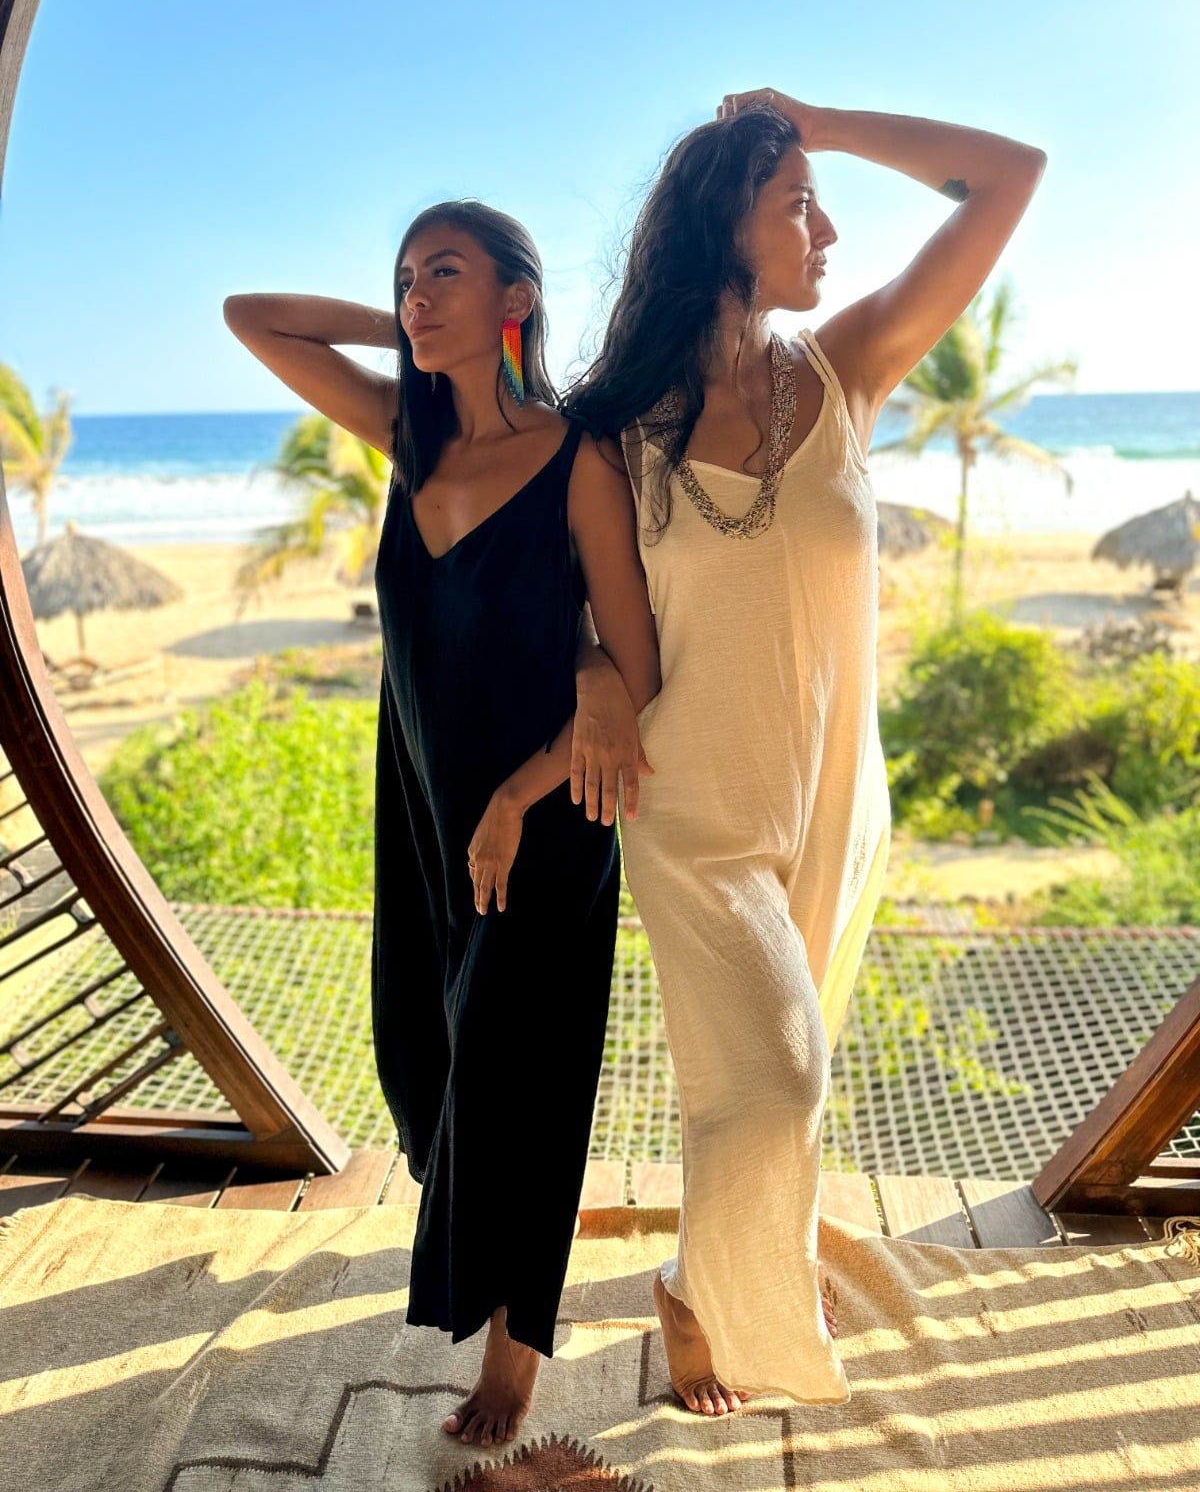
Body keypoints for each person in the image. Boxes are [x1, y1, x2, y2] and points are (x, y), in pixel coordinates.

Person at [565, 91, 1046, 1413]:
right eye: (795, 206)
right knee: (779, 1080)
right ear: (725, 227)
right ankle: (741, 1318)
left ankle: (689, 1285)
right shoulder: (611, 431)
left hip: (836, 798)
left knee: (759, 1090)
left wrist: (813, 124)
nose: (827, 230)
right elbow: (538, 606)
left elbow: (1008, 175)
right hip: (693, 813)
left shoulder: (847, 370)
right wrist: (592, 667)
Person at [223, 199, 659, 1450]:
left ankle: (518, 1350)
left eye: (445, 274)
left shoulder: (578, 456)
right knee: (432, 1059)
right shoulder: (408, 438)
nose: (416, 293)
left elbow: (636, 660)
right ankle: (491, 1280)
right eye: (407, 275)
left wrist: (520, 796)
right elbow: (252, 319)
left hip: (545, 815)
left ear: (516, 296)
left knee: (523, 1074)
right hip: (420, 809)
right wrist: (414, 335)